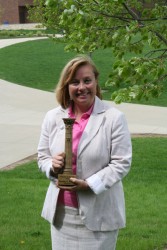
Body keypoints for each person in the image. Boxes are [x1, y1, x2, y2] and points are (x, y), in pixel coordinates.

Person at [37, 55, 132, 250]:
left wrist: (90, 184)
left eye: (87, 80)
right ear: (67, 86)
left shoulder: (114, 118)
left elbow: (121, 163)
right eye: (75, 82)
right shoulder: (53, 117)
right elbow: (42, 156)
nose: (82, 87)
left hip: (99, 214)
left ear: (96, 82)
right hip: (61, 215)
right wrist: (51, 167)